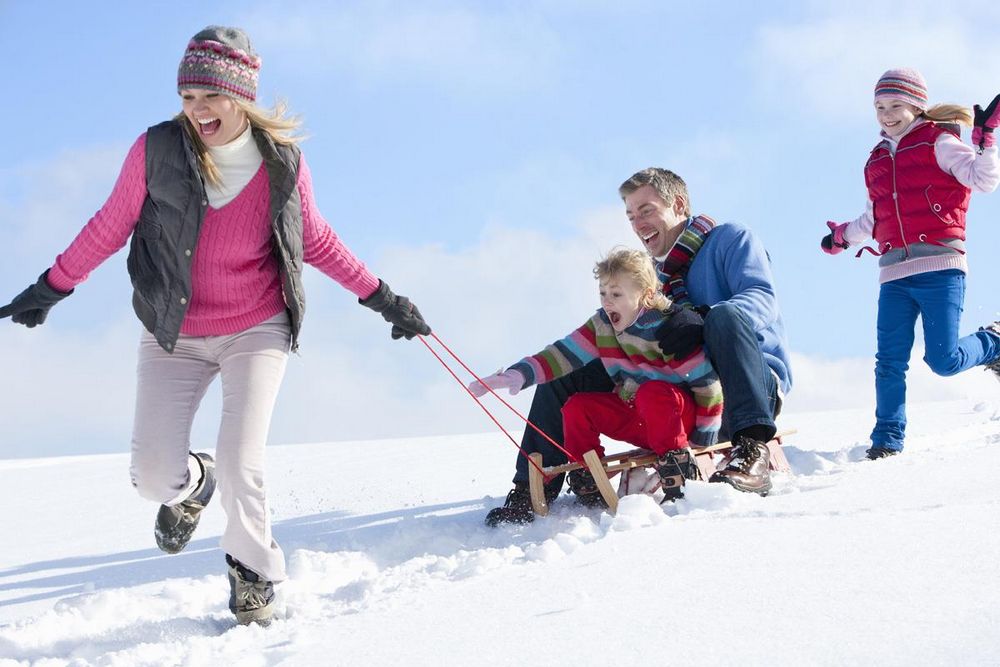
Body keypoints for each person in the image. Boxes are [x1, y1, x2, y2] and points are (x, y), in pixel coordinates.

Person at [0, 26, 431, 626]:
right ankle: (192, 485)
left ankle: (253, 577)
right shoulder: (155, 151)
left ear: (241, 96)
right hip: (173, 330)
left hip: (256, 326)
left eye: (210, 96)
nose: (197, 110)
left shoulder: (282, 163)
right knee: (153, 475)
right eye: (187, 98)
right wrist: (54, 285)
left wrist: (381, 296)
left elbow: (317, 239)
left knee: (242, 460)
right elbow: (110, 223)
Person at [485, 168, 792, 526]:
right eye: (631, 215)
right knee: (572, 369)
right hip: (678, 396)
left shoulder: (731, 239)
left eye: (646, 210)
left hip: (743, 387)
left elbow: (762, 299)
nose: (638, 223)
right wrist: (524, 371)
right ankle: (532, 486)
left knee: (725, 315)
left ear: (678, 204)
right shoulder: (649, 275)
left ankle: (751, 450)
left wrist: (703, 320)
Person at [820, 68, 1000, 460]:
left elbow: (983, 181)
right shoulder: (875, 160)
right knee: (888, 362)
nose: (887, 114)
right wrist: (842, 237)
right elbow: (873, 219)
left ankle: (993, 341)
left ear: (916, 105)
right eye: (879, 107)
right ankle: (887, 439)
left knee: (944, 361)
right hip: (894, 275)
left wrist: (985, 141)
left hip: (940, 267)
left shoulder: (940, 142)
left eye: (895, 105)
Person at [470, 247, 722, 516]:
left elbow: (708, 385)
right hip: (639, 417)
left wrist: (703, 437)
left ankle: (677, 467)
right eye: (603, 293)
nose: (607, 302)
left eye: (616, 294)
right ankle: (587, 475)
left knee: (652, 392)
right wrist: (516, 375)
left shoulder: (668, 329)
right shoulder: (602, 326)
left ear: (646, 296)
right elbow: (562, 354)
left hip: (677, 420)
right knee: (577, 406)